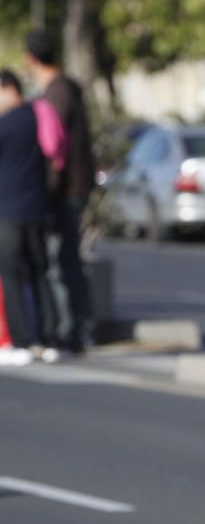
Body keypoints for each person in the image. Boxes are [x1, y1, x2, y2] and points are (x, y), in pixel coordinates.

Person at [24, 30, 96, 354]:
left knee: (61, 262)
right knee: (66, 260)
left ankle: (72, 330)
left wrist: (45, 189)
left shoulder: (56, 94)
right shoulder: (65, 89)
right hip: (73, 187)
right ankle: (75, 328)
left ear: (30, 59)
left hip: (64, 190)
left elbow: (53, 150)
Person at [0, 69, 59, 366]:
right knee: (39, 272)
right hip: (38, 206)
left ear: (9, 89)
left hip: (8, 210)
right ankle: (46, 338)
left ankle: (20, 342)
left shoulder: (5, 124)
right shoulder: (39, 118)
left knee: (11, 276)